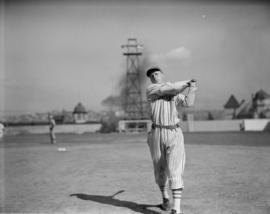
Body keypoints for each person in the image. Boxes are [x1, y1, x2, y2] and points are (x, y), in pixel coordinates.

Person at [146, 67, 197, 214]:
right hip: (156, 132)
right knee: (159, 168)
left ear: (163, 75)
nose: (154, 76)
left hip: (174, 132)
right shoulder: (152, 89)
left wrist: (192, 89)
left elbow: (188, 103)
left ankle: (177, 208)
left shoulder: (175, 91)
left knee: (175, 168)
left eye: (156, 73)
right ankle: (165, 197)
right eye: (151, 75)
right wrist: (187, 82)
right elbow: (170, 88)